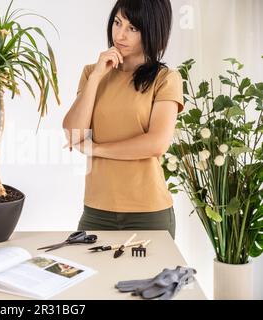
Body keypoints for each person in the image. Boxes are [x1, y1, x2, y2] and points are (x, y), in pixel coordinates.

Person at [62, 0, 184, 239]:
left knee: (151, 278)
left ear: (151, 31)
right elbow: (74, 134)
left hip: (149, 213)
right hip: (96, 211)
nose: (120, 34)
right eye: (117, 23)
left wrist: (95, 149)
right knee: (91, 276)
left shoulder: (165, 79)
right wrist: (97, 77)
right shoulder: (91, 72)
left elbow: (156, 143)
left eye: (133, 28)